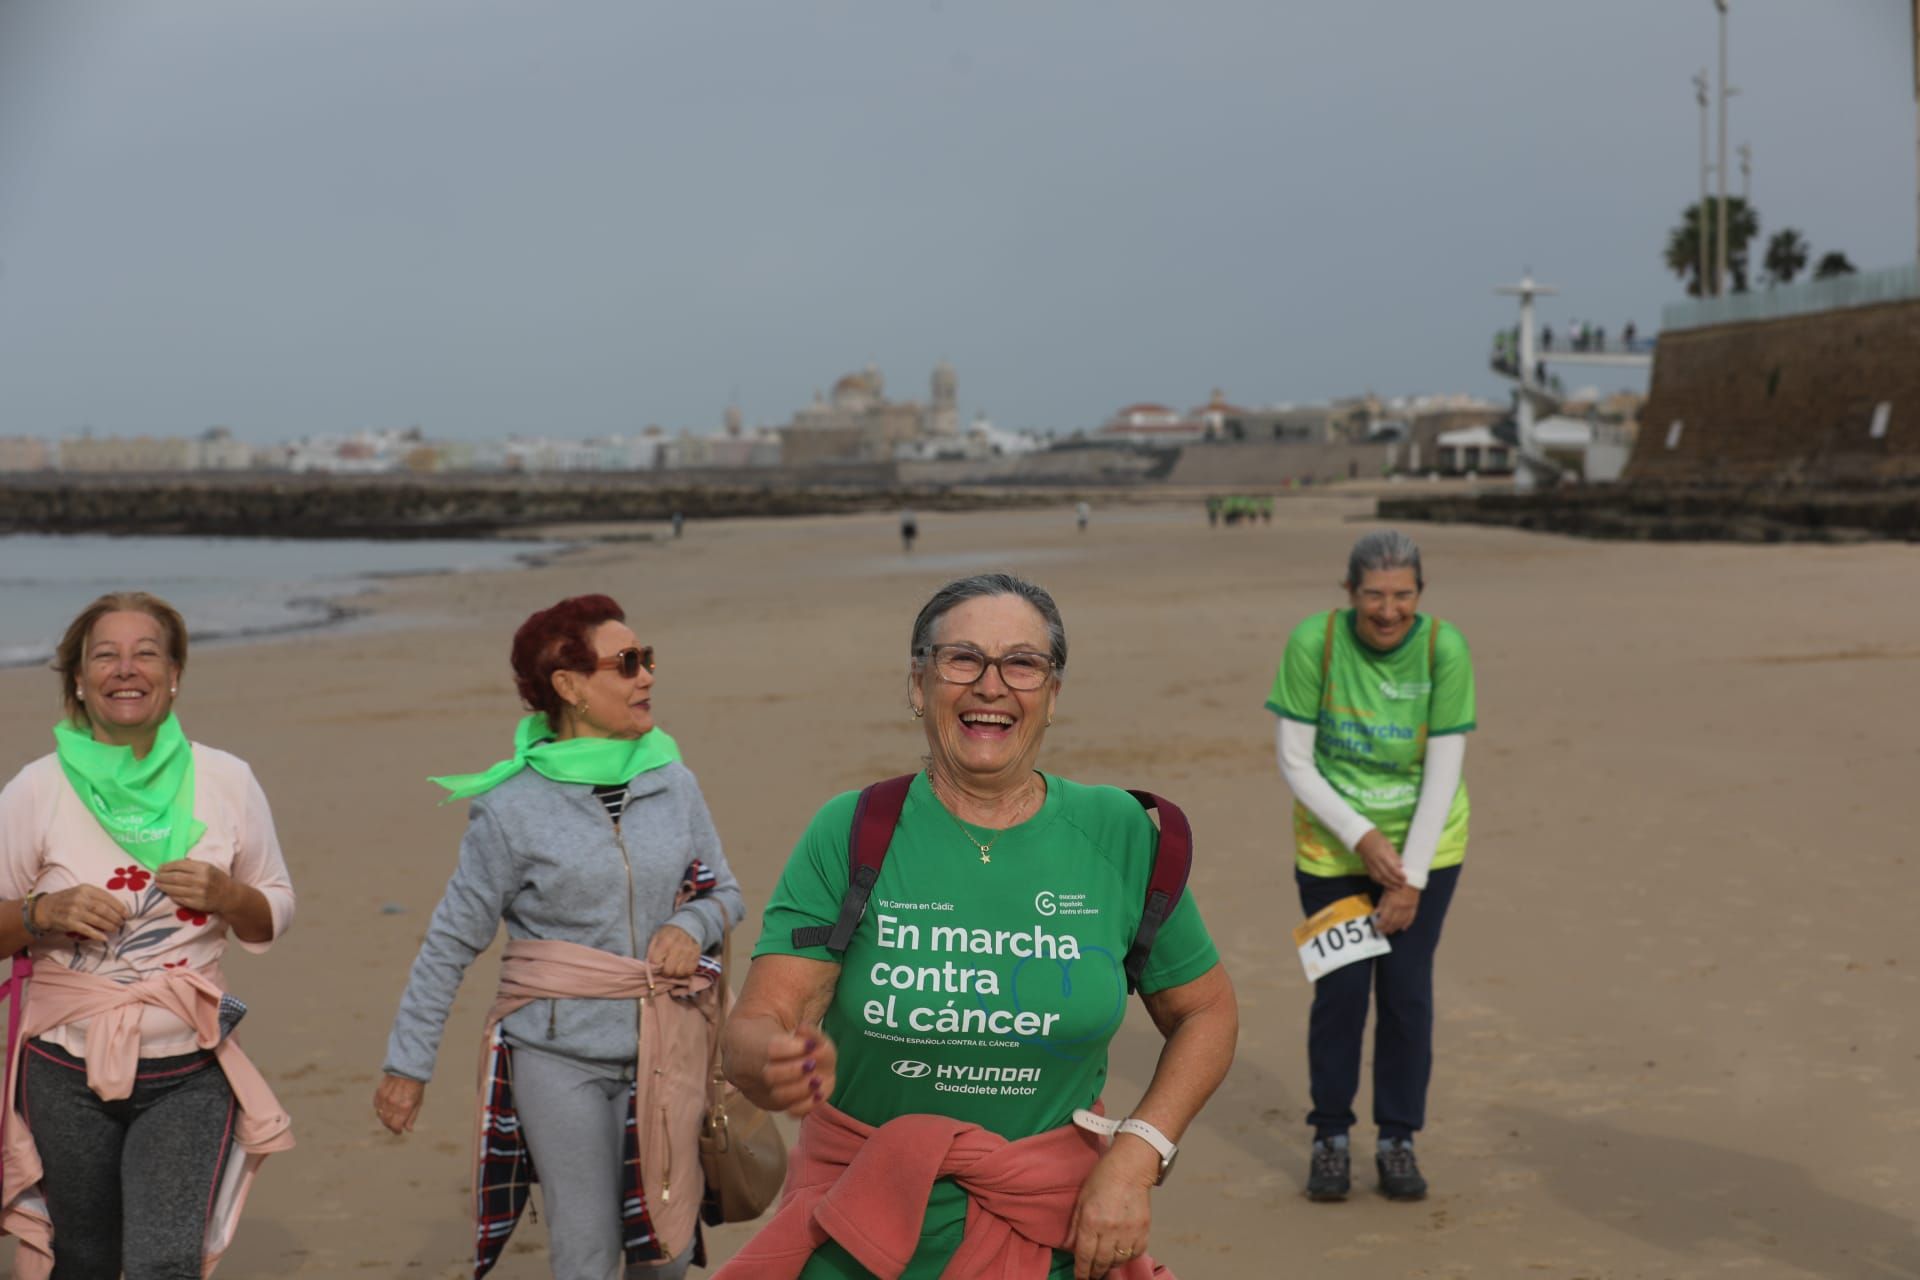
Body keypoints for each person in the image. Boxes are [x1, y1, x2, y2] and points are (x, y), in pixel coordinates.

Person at [720, 572, 1236, 1280]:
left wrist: (1139, 1153)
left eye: (1021, 663)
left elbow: (1206, 1009)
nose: (991, 686)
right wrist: (767, 1062)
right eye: (962, 659)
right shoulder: (853, 830)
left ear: (1051, 697)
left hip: (1053, 1236)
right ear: (918, 685)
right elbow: (760, 1022)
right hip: (855, 1232)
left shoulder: (1119, 833)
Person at [375, 594, 744, 1280]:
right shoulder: (511, 806)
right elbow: (453, 940)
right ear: (569, 686)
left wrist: (690, 924)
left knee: (670, 1255)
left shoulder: (673, 778)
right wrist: (407, 1064)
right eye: (627, 663)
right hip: (556, 1054)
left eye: (648, 659)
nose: (647, 677)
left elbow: (726, 891)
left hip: (668, 1043)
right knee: (587, 1249)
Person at [0, 590, 296, 1278]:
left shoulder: (226, 780)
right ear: (78, 678)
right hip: (62, 1069)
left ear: (174, 675)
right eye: (105, 655)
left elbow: (276, 907)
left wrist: (228, 895)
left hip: (189, 1066)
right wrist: (42, 912)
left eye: (146, 654)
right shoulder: (35, 790)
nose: (125, 669)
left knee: (165, 1261)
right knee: (85, 1258)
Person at [1265, 531, 1475, 1204]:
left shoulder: (1444, 647)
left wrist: (1408, 875)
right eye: (1375, 596)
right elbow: (1296, 760)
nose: (1389, 611)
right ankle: (1329, 1135)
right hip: (1330, 851)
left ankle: (1397, 1138)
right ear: (1350, 593)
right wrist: (1361, 839)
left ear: (1421, 593)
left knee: (1407, 994)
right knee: (1342, 994)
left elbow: (1444, 770)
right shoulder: (1314, 643)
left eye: (1403, 596)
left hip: (1428, 847)